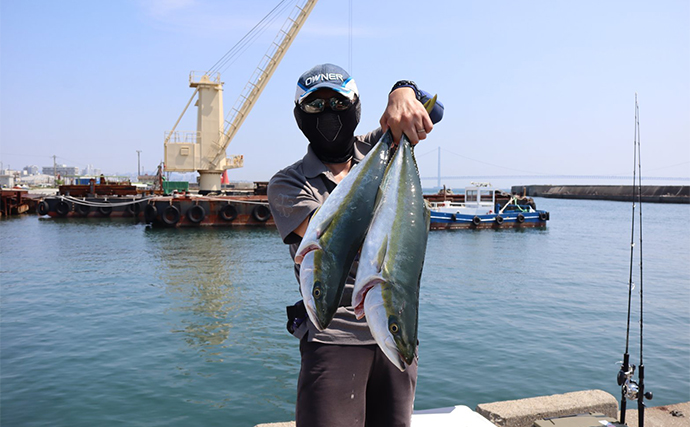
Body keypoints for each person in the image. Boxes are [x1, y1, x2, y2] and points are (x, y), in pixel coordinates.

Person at [267, 63, 443, 427]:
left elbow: (433, 110)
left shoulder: (380, 144)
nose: (329, 113)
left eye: (338, 103)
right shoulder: (288, 183)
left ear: (356, 106)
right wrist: (389, 145)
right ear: (300, 115)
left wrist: (402, 91)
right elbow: (335, 233)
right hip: (334, 336)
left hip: (397, 333)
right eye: (316, 105)